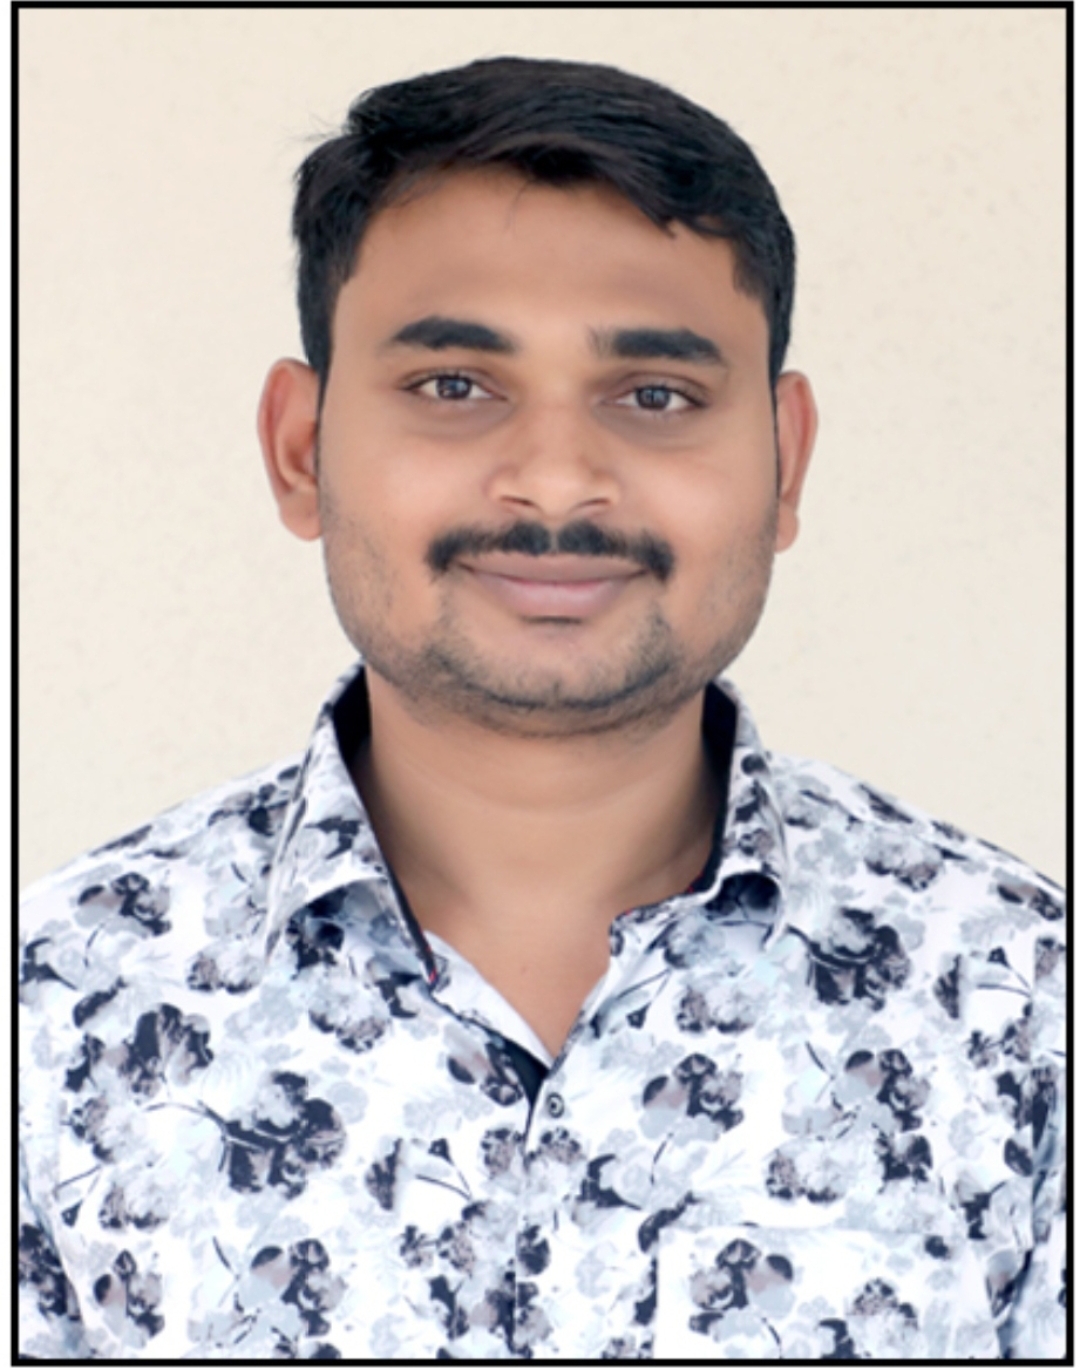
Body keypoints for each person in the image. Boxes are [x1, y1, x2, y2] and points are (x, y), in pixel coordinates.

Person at [18, 56, 1064, 1361]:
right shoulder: (52, 1010)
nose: (558, 480)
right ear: (301, 449)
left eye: (656, 396)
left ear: (786, 461)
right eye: (455, 385)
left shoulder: (1027, 1004)